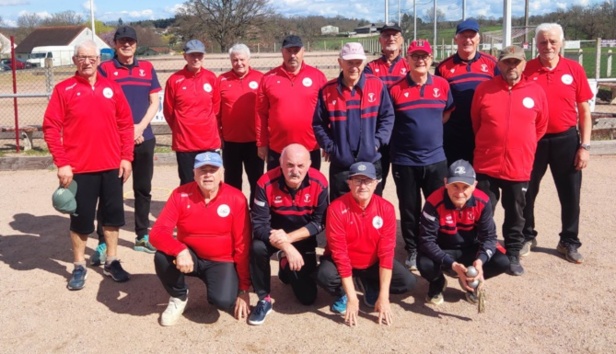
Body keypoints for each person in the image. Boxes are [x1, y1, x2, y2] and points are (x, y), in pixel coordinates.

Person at [43, 40, 133, 290]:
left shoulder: (112, 88)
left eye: (91, 58)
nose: (87, 62)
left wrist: (126, 157)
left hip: (112, 166)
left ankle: (112, 260)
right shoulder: (64, 89)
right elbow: (51, 127)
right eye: (82, 57)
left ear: (99, 60)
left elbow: (126, 125)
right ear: (74, 61)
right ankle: (78, 265)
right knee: (81, 221)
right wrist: (62, 163)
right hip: (79, 169)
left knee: (113, 219)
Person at [471, 45, 549, 276]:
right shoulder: (484, 90)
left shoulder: (535, 91)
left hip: (519, 164)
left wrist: (519, 144)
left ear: (524, 63)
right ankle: (482, 250)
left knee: (516, 211)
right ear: (499, 64)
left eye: (516, 62)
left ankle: (513, 251)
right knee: (484, 209)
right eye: (507, 62)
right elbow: (476, 123)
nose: (511, 66)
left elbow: (540, 127)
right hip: (487, 163)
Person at [149, 152, 251, 326]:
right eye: (203, 170)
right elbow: (157, 233)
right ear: (194, 173)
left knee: (223, 301)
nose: (208, 174)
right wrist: (179, 250)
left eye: (213, 170)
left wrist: (243, 288)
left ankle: (219, 282)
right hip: (190, 256)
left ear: (222, 173)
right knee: (161, 257)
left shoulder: (236, 198)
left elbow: (242, 244)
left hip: (221, 260)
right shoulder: (179, 195)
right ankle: (179, 296)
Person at [521, 23, 594, 264]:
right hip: (534, 140)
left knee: (570, 194)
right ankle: (526, 235)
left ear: (561, 42)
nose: (548, 46)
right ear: (536, 44)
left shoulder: (574, 69)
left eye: (552, 41)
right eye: (543, 42)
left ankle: (569, 241)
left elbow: (584, 111)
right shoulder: (527, 69)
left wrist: (584, 146)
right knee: (526, 192)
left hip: (566, 139)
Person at [91, 25, 161, 263]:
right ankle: (102, 240)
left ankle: (142, 235)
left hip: (144, 137)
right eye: (122, 41)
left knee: (143, 189)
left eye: (130, 41)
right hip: (115, 140)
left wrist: (139, 127)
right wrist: (126, 132)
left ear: (136, 44)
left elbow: (154, 102)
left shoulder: (148, 68)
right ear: (115, 44)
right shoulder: (105, 68)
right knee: (110, 191)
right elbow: (100, 103)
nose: (126, 45)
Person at [316, 162, 416, 327]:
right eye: (357, 180)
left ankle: (369, 283)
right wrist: (352, 298)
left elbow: (386, 253)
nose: (363, 186)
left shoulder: (386, 208)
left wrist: (384, 297)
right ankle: (344, 292)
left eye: (368, 181)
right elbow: (340, 254)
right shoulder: (335, 208)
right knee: (323, 275)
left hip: (371, 262)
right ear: (349, 183)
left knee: (408, 282)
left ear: (376, 183)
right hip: (345, 261)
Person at [388, 39, 454, 271]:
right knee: (409, 207)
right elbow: (389, 121)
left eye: (424, 55)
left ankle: (435, 245)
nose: (420, 60)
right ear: (407, 59)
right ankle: (413, 248)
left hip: (436, 159)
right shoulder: (395, 89)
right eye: (415, 56)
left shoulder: (443, 85)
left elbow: (446, 114)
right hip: (405, 160)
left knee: (437, 205)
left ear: (431, 57)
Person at [249, 143, 328, 325]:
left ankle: (284, 264)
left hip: (301, 237)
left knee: (307, 298)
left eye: (300, 166)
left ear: (309, 165)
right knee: (256, 247)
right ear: (281, 164)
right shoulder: (265, 182)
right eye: (289, 165)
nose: (295, 170)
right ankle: (264, 299)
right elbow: (259, 225)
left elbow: (319, 222)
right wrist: (285, 245)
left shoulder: (320, 182)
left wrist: (290, 239)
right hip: (273, 236)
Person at [418, 159, 510, 305]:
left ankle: (469, 282)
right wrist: (452, 264)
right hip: (443, 249)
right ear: (446, 182)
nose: (460, 193)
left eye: (465, 187)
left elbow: (489, 237)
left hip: (470, 248)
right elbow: (426, 241)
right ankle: (438, 282)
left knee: (503, 262)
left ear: (474, 185)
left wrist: (480, 261)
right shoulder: (433, 202)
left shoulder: (483, 201)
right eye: (455, 186)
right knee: (424, 264)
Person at [313, 42, 394, 201]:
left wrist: (376, 142)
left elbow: (388, 117)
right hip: (341, 165)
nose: (354, 67)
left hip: (370, 161)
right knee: (340, 209)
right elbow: (318, 123)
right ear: (340, 62)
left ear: (363, 63)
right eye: (350, 62)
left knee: (371, 209)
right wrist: (331, 147)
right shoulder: (327, 90)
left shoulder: (376, 85)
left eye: (358, 62)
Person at [256, 35, 327, 171]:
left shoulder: (317, 76)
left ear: (303, 52)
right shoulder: (268, 79)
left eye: (296, 50)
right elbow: (261, 113)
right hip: (278, 148)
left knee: (310, 189)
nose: (293, 55)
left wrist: (326, 141)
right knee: (276, 189)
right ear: (282, 52)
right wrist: (261, 143)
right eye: (289, 51)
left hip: (310, 146)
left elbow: (326, 112)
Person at [435, 18, 499, 165]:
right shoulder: (443, 67)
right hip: (455, 133)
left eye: (471, 36)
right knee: (455, 178)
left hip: (484, 131)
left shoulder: (491, 63)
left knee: (482, 181)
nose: (468, 40)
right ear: (456, 39)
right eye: (463, 36)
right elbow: (439, 101)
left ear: (478, 39)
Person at [164, 39, 220, 185]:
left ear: (204, 56)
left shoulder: (211, 78)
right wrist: (182, 129)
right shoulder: (174, 80)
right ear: (185, 56)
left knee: (210, 182)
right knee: (188, 182)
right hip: (185, 144)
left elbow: (216, 109)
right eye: (192, 55)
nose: (196, 58)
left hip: (208, 142)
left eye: (199, 55)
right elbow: (169, 112)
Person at [364, 23, 410, 190]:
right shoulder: (371, 68)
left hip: (402, 134)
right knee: (376, 181)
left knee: (405, 185)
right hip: (379, 133)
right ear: (380, 40)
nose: (391, 38)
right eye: (386, 35)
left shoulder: (409, 66)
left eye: (394, 35)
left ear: (401, 40)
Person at [216, 43, 264, 203]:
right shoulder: (221, 80)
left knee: (256, 180)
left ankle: (256, 214)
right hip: (230, 142)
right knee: (232, 181)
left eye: (242, 59)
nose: (239, 63)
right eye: (235, 60)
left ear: (249, 59)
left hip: (254, 142)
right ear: (230, 61)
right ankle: (235, 211)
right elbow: (216, 112)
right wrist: (219, 136)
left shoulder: (261, 78)